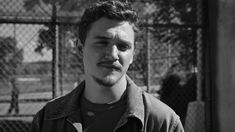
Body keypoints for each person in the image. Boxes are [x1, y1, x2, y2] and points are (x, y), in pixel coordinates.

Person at [31, 1, 184, 132]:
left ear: (132, 55)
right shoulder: (47, 119)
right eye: (102, 42)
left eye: (123, 46)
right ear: (79, 48)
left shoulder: (163, 122)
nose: (112, 54)